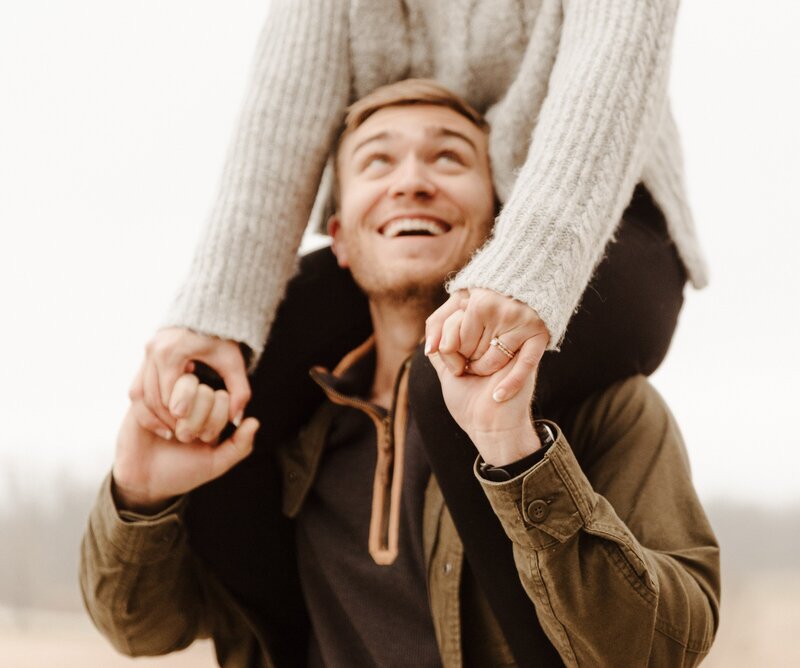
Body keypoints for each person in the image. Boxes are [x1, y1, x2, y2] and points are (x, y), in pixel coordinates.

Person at [81, 81, 719, 667]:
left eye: (449, 158)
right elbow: (139, 628)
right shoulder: (287, 434)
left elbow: (667, 649)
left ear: (501, 223)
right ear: (339, 238)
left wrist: (519, 460)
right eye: (377, 161)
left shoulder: (608, 410)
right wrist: (139, 496)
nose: (412, 182)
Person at [133, 0, 703, 441]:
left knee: (449, 381)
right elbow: (284, 102)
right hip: (426, 214)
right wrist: (216, 314)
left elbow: (610, 68)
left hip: (594, 217)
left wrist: (528, 271)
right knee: (221, 388)